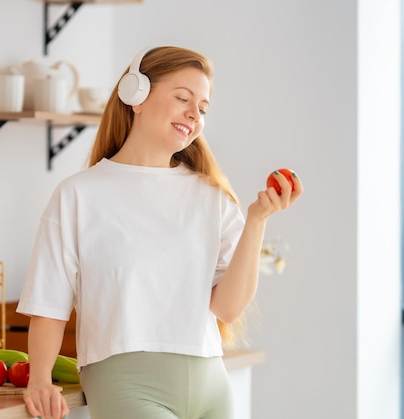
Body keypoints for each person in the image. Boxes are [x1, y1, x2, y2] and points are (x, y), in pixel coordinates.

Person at [16, 46, 303, 419]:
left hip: (211, 384)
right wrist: (39, 378)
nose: (193, 114)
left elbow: (228, 308)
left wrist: (258, 220)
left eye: (202, 108)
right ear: (136, 96)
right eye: (182, 98)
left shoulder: (212, 196)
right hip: (127, 385)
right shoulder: (79, 194)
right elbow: (48, 303)